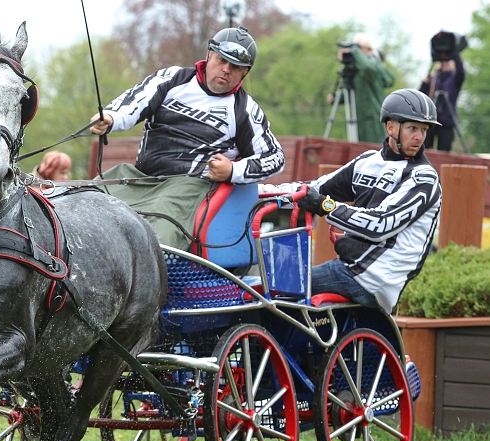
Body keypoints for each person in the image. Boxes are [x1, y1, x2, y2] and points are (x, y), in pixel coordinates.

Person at [88, 26, 284, 250]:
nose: (226, 70)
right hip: (138, 178)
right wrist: (111, 118)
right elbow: (135, 102)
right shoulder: (173, 78)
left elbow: (275, 158)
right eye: (221, 60)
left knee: (152, 236)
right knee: (83, 201)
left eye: (236, 67)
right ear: (209, 55)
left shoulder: (245, 109)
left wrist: (232, 171)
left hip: (188, 188)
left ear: (245, 72)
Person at [260, 89, 442, 313]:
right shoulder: (368, 161)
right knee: (273, 280)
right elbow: (314, 188)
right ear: (391, 127)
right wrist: (257, 192)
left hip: (375, 278)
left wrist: (325, 206)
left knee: (271, 287)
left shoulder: (423, 177)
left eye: (423, 130)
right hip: (351, 267)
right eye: (412, 128)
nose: (419, 137)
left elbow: (380, 225)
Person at [328, 33, 394, 143]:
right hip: (360, 116)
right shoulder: (358, 70)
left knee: (373, 148)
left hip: (372, 117)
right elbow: (356, 91)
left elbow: (368, 68)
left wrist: (354, 50)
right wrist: (337, 98)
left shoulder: (373, 64)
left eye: (358, 48)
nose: (354, 51)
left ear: (366, 48)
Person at [419, 54, 465, 151]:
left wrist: (455, 53)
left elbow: (461, 72)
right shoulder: (432, 79)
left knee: (444, 151)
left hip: (447, 122)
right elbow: (420, 97)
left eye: (448, 61)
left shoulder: (455, 78)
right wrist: (424, 83)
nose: (446, 63)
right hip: (430, 120)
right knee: (424, 149)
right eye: (443, 61)